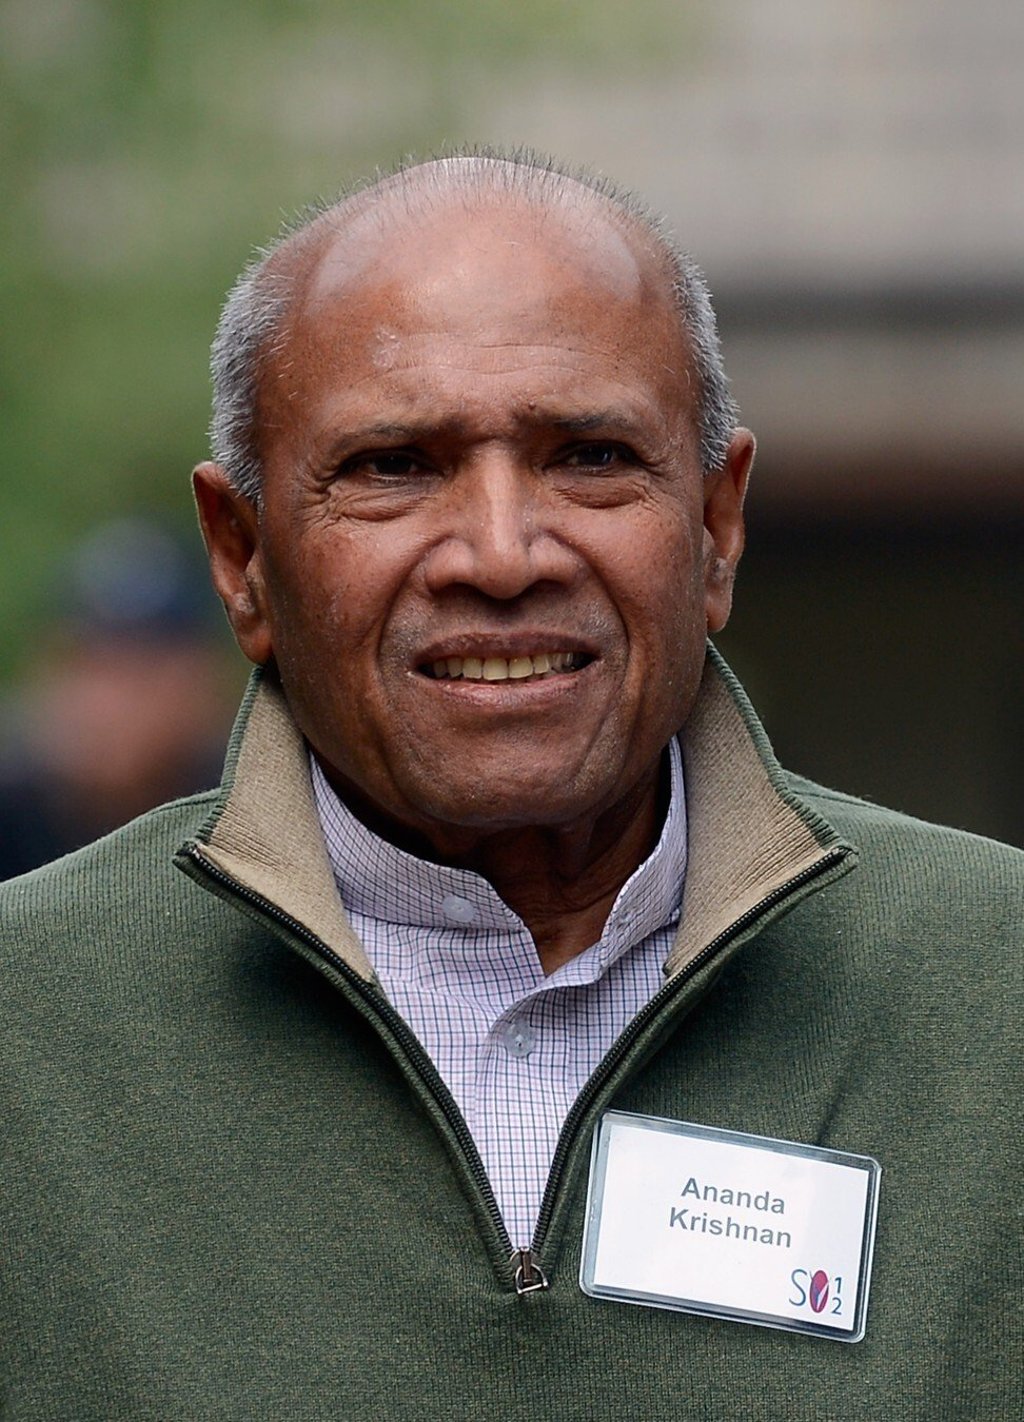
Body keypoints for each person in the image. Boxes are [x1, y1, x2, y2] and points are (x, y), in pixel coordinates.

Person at [0, 150, 1019, 1421]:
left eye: (588, 455)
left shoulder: (997, 987)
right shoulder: (25, 1031)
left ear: (717, 529)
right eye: (393, 467)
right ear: (242, 558)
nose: (499, 554)